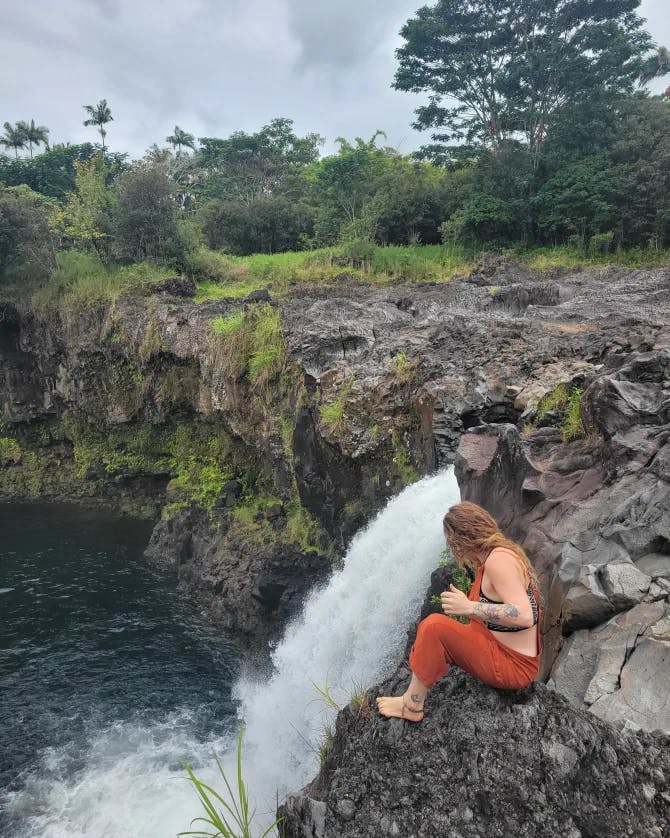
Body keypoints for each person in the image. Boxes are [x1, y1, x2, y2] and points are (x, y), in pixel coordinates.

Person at [376, 501, 542, 721]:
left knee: (433, 627)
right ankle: (419, 685)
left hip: (513, 666)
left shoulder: (498, 561)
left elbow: (524, 615)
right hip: (504, 653)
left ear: (460, 540)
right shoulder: (499, 554)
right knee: (442, 631)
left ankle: (412, 706)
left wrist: (470, 606)